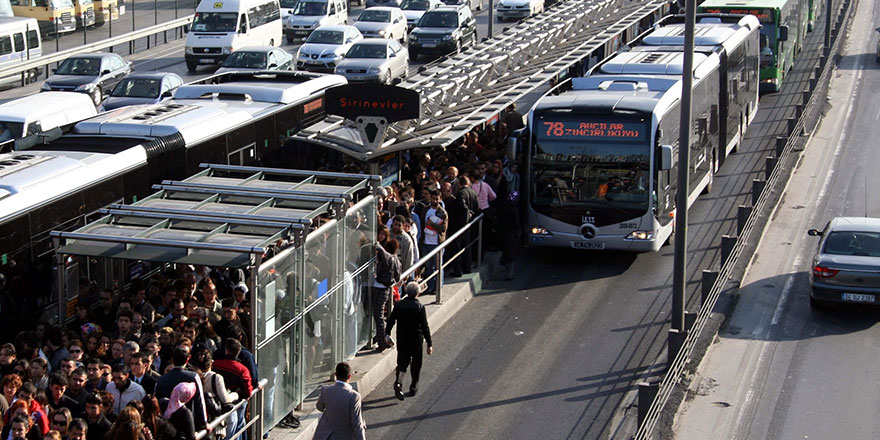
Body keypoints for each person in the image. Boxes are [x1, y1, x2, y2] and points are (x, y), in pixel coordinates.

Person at [386, 282, 433, 400]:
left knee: (402, 361)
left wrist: (387, 334)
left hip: (402, 337)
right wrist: (429, 343)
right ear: (418, 293)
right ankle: (413, 385)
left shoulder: (399, 305)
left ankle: (398, 382)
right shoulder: (420, 307)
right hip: (416, 339)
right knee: (416, 363)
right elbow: (424, 326)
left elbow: (391, 320)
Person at [314, 362, 365, 440]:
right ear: (349, 376)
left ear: (335, 374)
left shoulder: (325, 390)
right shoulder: (354, 396)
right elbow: (357, 424)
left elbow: (319, 407)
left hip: (324, 436)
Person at [417, 189, 448, 295]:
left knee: (438, 266)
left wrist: (431, 225)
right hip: (426, 242)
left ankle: (438, 286)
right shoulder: (425, 210)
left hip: (437, 243)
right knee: (428, 266)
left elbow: (443, 228)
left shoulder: (442, 212)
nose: (435, 201)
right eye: (433, 198)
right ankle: (430, 287)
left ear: (440, 199)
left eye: (437, 199)